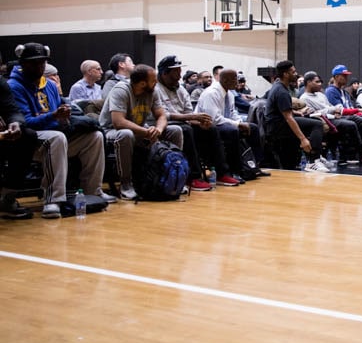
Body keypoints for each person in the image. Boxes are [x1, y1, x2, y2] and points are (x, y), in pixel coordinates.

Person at [9, 42, 116, 217]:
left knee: (94, 136)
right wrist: (53, 116)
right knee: (56, 137)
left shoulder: (49, 85)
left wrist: (66, 115)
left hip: (56, 134)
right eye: (34, 62)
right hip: (29, 141)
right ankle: (53, 199)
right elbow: (25, 123)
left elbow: (60, 112)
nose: (39, 66)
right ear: (23, 63)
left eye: (42, 62)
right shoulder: (14, 86)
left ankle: (92, 192)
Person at [99, 63, 184, 199]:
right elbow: (118, 122)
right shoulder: (121, 90)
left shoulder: (152, 91)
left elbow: (162, 116)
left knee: (175, 130)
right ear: (143, 83)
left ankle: (172, 175)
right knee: (126, 134)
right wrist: (146, 132)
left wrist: (158, 129)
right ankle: (126, 184)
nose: (156, 82)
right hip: (111, 131)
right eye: (153, 80)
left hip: (139, 130)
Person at [155, 55, 240, 189]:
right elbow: (165, 115)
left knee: (211, 128)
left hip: (184, 122)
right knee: (186, 130)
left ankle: (221, 173)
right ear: (164, 73)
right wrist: (192, 118)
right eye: (176, 72)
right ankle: (193, 177)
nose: (179, 76)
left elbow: (189, 112)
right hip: (164, 124)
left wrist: (200, 122)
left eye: (180, 71)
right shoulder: (156, 89)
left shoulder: (181, 89)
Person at [196, 68, 266, 178]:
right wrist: (237, 124)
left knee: (253, 128)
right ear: (225, 80)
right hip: (207, 126)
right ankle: (236, 170)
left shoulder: (230, 94)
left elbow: (233, 113)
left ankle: (254, 166)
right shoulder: (211, 93)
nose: (237, 82)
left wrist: (240, 122)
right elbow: (214, 119)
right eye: (234, 79)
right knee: (232, 131)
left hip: (223, 123)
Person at [264, 60, 329, 172]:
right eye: (293, 72)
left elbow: (281, 110)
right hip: (277, 127)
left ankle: (315, 156)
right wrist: (303, 139)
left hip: (277, 122)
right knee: (317, 124)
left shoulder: (279, 85)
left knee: (311, 119)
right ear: (285, 74)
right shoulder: (281, 91)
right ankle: (313, 161)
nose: (296, 74)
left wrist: (296, 112)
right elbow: (288, 118)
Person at [0, 57, 39, 219]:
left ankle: (8, 197)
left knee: (27, 136)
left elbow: (12, 110)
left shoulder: (1, 83)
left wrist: (15, 123)